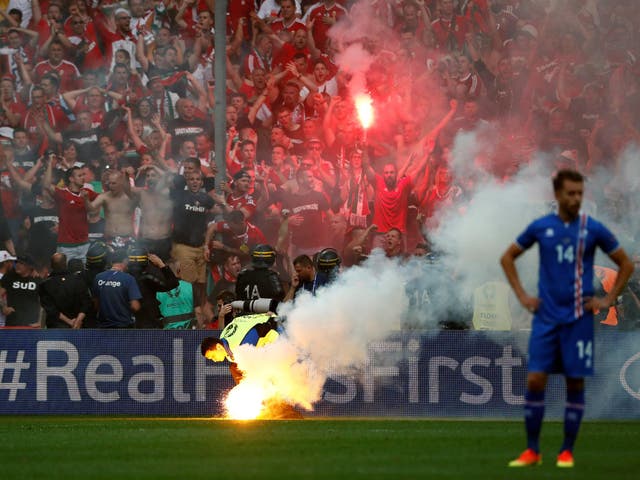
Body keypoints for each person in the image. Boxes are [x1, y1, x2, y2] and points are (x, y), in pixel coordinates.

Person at [500, 169, 634, 468]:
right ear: (558, 194)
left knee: (575, 383)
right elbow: (507, 257)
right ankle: (532, 451)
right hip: (546, 317)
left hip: (578, 319)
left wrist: (608, 299)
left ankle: (566, 451)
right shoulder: (540, 227)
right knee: (535, 379)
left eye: (579, 193)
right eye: (570, 193)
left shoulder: (593, 228)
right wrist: (522, 296)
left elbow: (625, 263)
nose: (575, 199)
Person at [200, 312, 281, 384]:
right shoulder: (223, 337)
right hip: (266, 328)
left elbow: (259, 328)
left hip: (277, 333)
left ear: (218, 347)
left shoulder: (241, 346)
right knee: (235, 367)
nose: (214, 360)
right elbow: (240, 319)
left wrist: (272, 318)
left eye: (213, 356)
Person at [91, 248, 142, 329]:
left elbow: (96, 304)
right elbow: (135, 306)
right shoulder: (128, 279)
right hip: (124, 326)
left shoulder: (98, 277)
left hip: (103, 326)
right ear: (125, 261)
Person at [39, 252, 91, 328]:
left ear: (51, 265)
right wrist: (78, 321)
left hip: (56, 328)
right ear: (66, 264)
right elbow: (86, 302)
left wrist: (70, 322)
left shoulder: (45, 285)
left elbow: (51, 309)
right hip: (78, 327)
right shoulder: (78, 280)